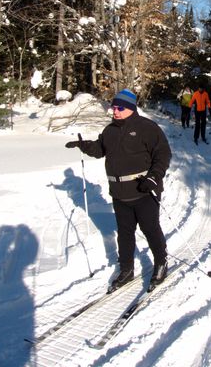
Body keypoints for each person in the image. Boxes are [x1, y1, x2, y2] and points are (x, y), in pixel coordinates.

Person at [65, 88, 171, 293]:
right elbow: (100, 149)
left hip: (143, 189)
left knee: (150, 228)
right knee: (124, 233)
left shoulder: (147, 128)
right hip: (119, 192)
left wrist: (153, 177)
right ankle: (126, 269)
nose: (115, 111)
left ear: (131, 108)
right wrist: (84, 145)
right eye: (114, 107)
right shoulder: (110, 130)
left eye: (120, 107)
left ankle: (161, 262)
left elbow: (163, 154)